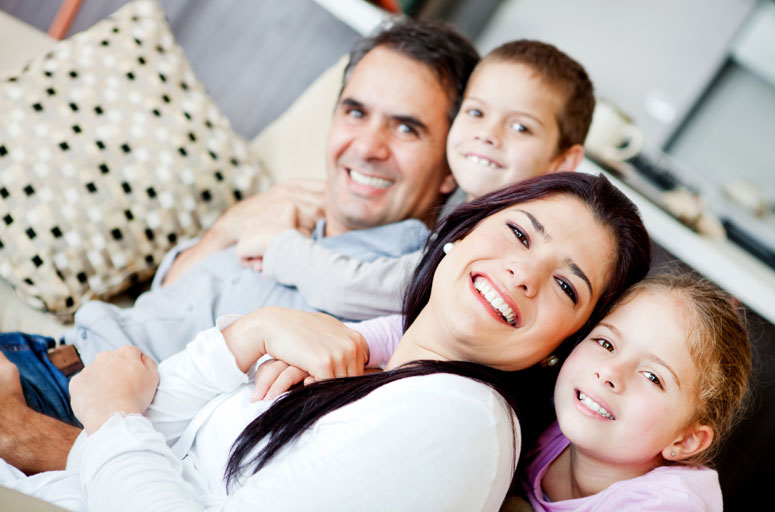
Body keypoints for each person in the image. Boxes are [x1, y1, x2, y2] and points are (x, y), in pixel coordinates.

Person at [0, 172, 651, 511]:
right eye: (519, 234)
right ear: (460, 233)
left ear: (559, 349)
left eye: (567, 287)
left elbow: (128, 414)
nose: (524, 273)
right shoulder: (377, 366)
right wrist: (247, 334)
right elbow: (169, 427)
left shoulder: (461, 423)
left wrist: (111, 416)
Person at [0, 18, 479, 474]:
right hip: (48, 355)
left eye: (406, 128)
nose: (369, 146)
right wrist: (227, 229)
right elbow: (163, 299)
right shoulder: (285, 215)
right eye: (356, 112)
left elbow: (202, 472)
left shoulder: (401, 289)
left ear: (454, 163)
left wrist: (26, 435)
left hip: (76, 411)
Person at [237, 39, 596, 320]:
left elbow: (376, 290)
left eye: (520, 127)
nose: (488, 134)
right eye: (476, 112)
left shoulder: (509, 236)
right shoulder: (468, 218)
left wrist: (285, 250)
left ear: (564, 161)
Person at [522, 272, 752, 511]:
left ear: (685, 440)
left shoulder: (667, 505)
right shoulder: (546, 425)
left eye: (652, 377)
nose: (610, 371)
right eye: (606, 343)